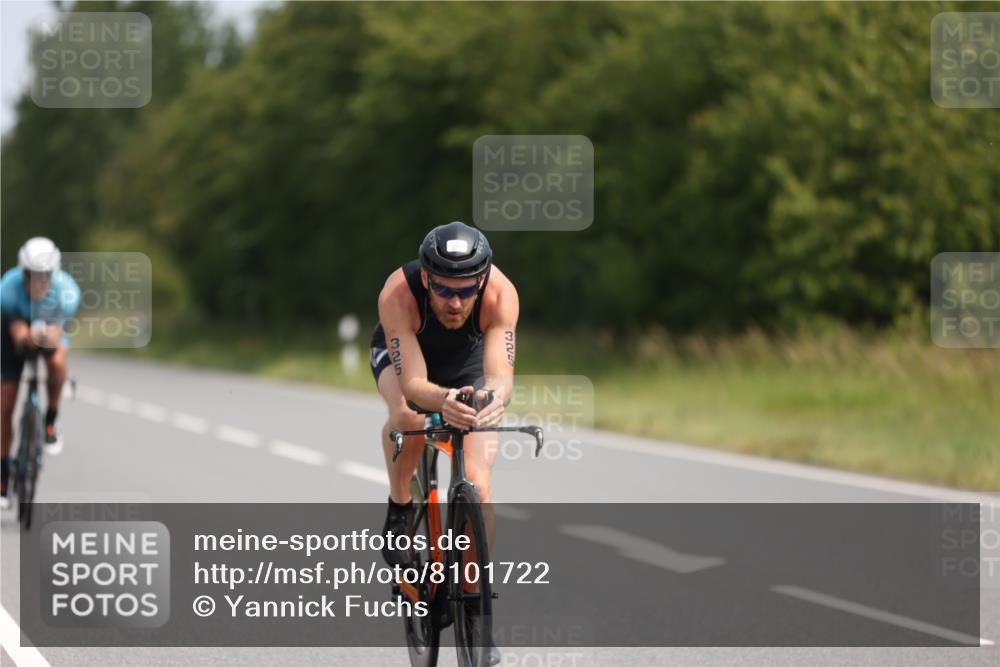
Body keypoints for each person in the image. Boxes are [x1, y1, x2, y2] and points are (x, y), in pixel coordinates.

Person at [371, 221, 518, 664]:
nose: (455, 303)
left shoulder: (500, 294)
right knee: (407, 415)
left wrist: (491, 400)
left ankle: (475, 608)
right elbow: (414, 382)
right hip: (410, 355)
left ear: (481, 282)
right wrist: (441, 400)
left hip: (467, 360)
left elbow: (500, 377)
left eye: (465, 291)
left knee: (480, 482)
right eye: (444, 291)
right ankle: (400, 511)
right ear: (428, 280)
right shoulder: (398, 293)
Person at [0, 237, 80, 510]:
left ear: (53, 274)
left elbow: (58, 333)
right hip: (14, 333)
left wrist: (47, 338)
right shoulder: (7, 290)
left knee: (57, 364)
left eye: (44, 276)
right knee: (6, 402)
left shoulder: (67, 292)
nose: (38, 281)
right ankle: (2, 473)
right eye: (32, 276)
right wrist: (26, 338)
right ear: (23, 273)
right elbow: (16, 332)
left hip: (50, 330)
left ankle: (50, 421)